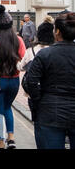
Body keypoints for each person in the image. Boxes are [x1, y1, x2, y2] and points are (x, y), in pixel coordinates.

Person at [23, 12, 75, 149]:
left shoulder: (45, 54)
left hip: (49, 111)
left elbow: (31, 82)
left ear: (57, 32)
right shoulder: (45, 54)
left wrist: (39, 100)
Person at [0, 5, 26, 149]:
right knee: (8, 107)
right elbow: (23, 59)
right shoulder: (18, 39)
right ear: (10, 23)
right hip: (14, 80)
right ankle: (11, 138)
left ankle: (0, 142)